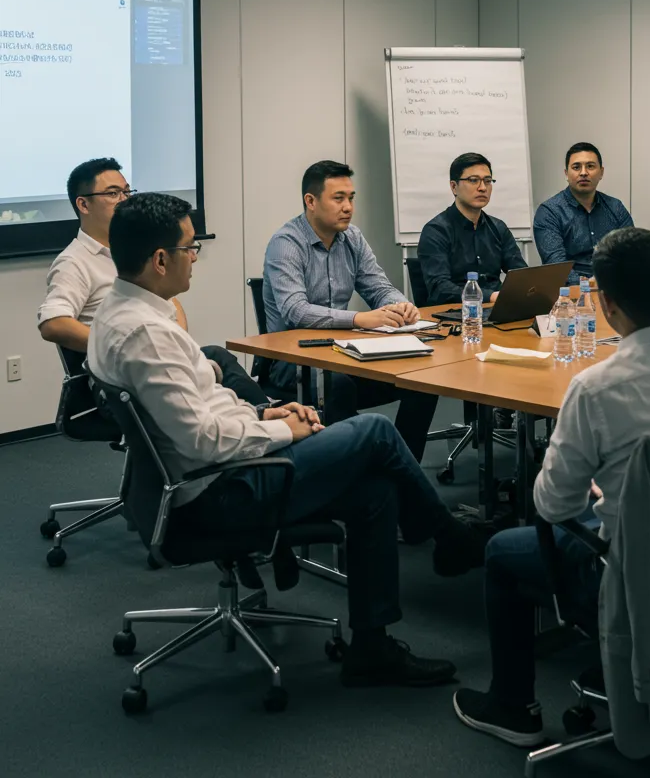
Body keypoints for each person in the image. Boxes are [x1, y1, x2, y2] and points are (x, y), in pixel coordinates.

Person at [89, 192, 485, 687]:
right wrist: (283, 430)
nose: (196, 256)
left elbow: (199, 406)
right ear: (160, 259)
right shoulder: (145, 332)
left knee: (375, 494)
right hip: (220, 491)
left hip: (212, 472)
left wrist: (263, 411)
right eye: (191, 247)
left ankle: (373, 647)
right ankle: (449, 537)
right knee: (375, 431)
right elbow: (202, 441)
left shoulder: (121, 310)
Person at [452, 227, 650, 746]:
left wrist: (607, 489)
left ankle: (513, 707)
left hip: (640, 573)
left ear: (605, 302)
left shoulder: (598, 388)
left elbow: (554, 506)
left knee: (503, 551)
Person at [37, 157, 260, 402]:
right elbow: (53, 323)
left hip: (160, 358)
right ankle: (269, 420)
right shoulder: (74, 262)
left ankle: (268, 417)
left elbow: (168, 301)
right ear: (84, 204)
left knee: (217, 358)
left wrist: (173, 344)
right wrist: (124, 347)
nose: (124, 201)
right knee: (217, 366)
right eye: (113, 193)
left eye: (126, 192)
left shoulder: (131, 250)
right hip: (119, 380)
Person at [262, 160, 438, 461]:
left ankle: (403, 463)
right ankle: (362, 466)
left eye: (351, 198)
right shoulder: (286, 243)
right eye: (338, 198)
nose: (348, 207)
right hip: (292, 359)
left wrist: (401, 305)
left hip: (343, 351)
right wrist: (360, 318)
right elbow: (296, 311)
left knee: (422, 377)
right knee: (337, 384)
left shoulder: (352, 238)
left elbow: (378, 287)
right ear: (311, 201)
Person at [417, 152, 528, 305]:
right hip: (456, 315)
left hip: (497, 311)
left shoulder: (498, 228)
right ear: (454, 187)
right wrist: (489, 296)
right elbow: (440, 289)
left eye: (487, 181)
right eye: (473, 180)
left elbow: (520, 275)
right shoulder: (436, 231)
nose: (482, 188)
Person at [533, 142, 633, 285]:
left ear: (601, 172)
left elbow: (631, 252)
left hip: (614, 288)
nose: (584, 172)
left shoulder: (615, 207)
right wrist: (589, 285)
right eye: (576, 167)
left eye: (590, 166)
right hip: (569, 294)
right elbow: (556, 265)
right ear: (566, 174)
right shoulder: (549, 212)